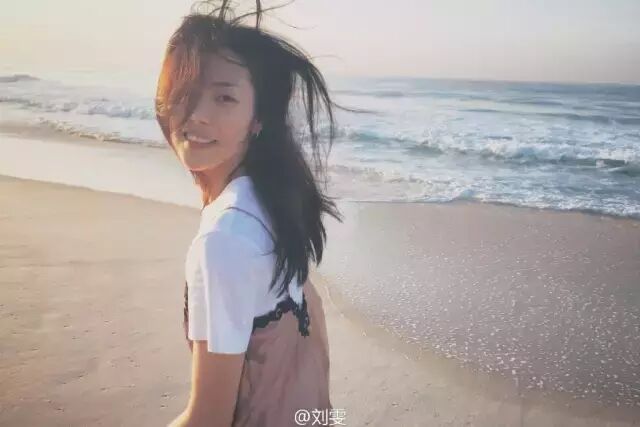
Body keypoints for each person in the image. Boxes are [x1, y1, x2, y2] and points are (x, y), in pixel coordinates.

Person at [154, 1, 346, 425]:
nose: (197, 115)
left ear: (258, 118)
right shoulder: (271, 202)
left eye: (224, 97)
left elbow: (208, 419)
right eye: (185, 93)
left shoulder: (224, 240)